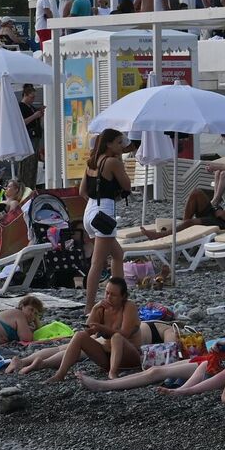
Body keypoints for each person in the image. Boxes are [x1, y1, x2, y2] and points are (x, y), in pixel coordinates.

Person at [46, 276, 141, 381]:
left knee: (117, 337)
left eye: (113, 295)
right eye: (107, 293)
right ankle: (60, 374)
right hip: (106, 357)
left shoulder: (129, 306)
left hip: (129, 356)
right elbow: (87, 331)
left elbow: (125, 334)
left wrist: (101, 328)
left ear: (123, 296)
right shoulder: (102, 308)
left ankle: (112, 373)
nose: (108, 297)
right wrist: (95, 308)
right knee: (79, 335)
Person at [79, 129, 131, 317]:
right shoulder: (112, 162)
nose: (121, 146)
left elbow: (82, 191)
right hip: (104, 211)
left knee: (118, 254)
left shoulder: (92, 162)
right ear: (109, 144)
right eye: (118, 142)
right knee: (98, 263)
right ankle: (89, 307)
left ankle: (119, 298)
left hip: (90, 211)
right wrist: (120, 162)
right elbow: (127, 185)